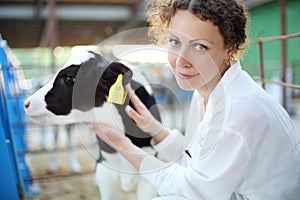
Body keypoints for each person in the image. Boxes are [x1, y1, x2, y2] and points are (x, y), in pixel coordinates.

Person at [88, 0, 300, 199]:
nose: (181, 61)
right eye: (174, 42)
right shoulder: (206, 91)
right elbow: (198, 162)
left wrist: (124, 145)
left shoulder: (237, 110)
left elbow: (195, 191)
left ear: (230, 48)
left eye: (200, 47)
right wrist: (155, 129)